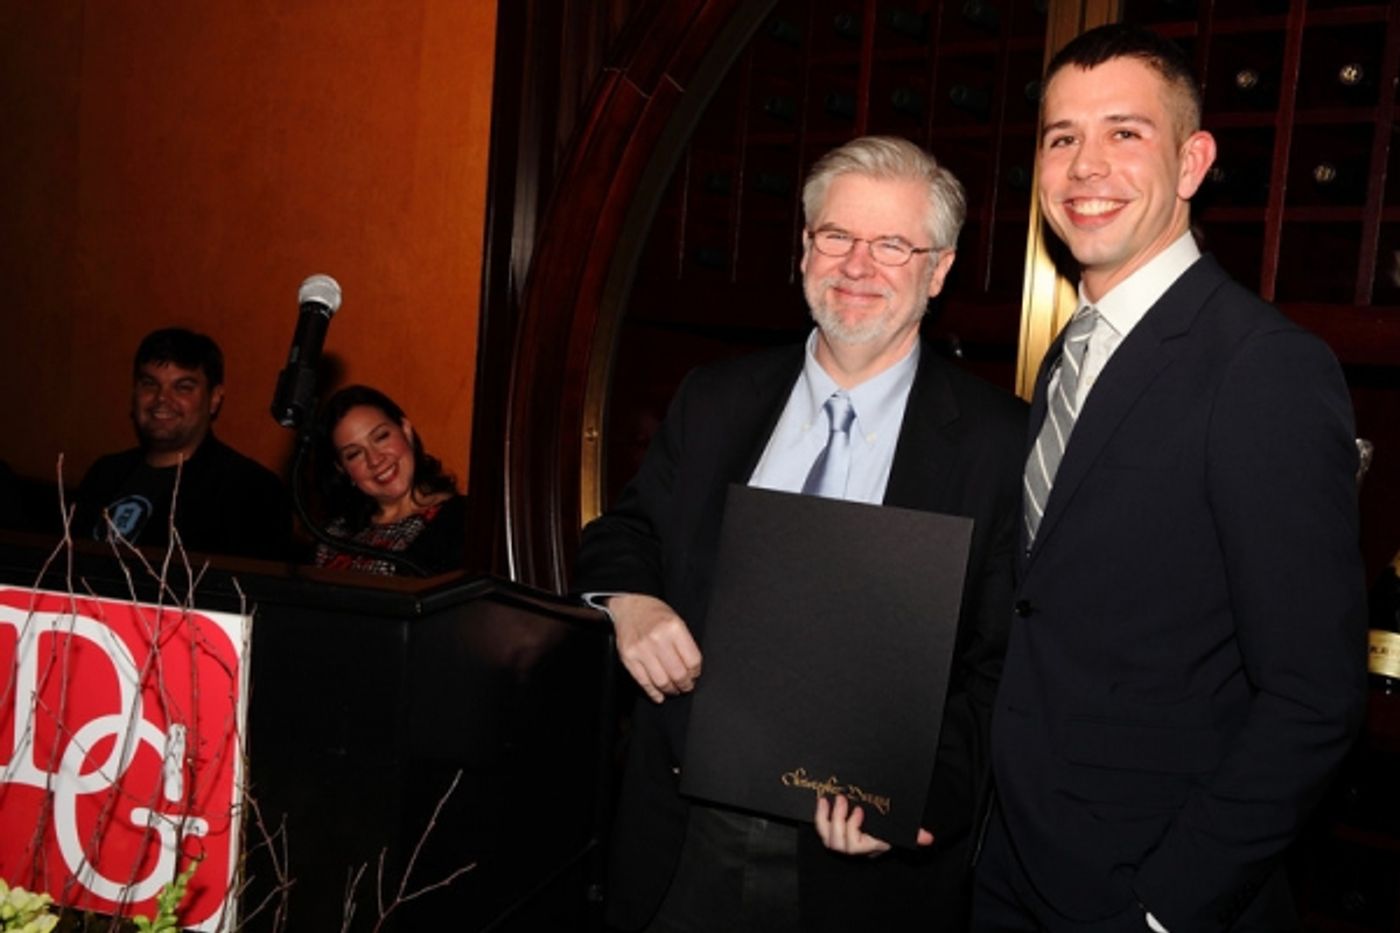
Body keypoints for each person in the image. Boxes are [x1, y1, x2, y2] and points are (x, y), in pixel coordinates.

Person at [575, 136, 1026, 931]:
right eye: (836, 236)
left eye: (892, 244)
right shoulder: (715, 398)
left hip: (865, 869)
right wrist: (630, 600)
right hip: (684, 834)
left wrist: (918, 794)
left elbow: (1004, 662)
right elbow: (629, 528)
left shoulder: (997, 443)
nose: (858, 266)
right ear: (804, 249)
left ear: (938, 270)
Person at [977, 24, 1367, 933]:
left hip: (1143, 890)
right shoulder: (1072, 355)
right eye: (1061, 137)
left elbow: (1314, 694)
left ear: (1192, 162)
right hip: (1012, 866)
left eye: (1125, 133)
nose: (1085, 166)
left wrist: (1165, 907)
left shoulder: (1262, 367)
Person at [73, 327, 292, 560]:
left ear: (215, 398)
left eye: (183, 387)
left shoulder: (251, 491)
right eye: (150, 383)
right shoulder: (104, 474)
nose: (162, 399)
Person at [311, 384, 466, 576]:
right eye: (354, 454)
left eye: (381, 437)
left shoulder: (465, 521)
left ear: (406, 431)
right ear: (342, 469)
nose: (375, 460)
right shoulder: (334, 536)